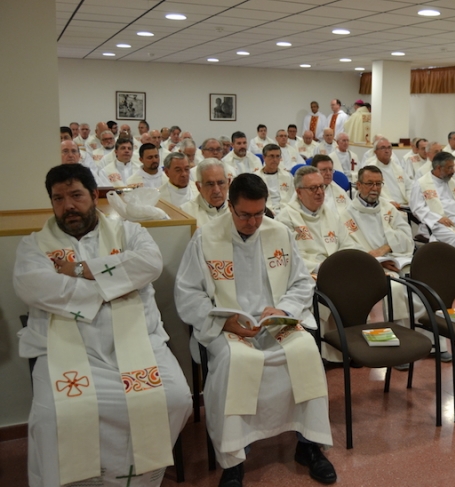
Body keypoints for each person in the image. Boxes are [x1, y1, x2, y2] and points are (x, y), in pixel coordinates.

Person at [14, 163, 192, 486]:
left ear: (94, 194)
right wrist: (115, 286)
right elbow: (32, 286)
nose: (68, 205)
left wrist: (79, 270)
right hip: (69, 350)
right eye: (58, 198)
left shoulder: (128, 232)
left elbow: (150, 264)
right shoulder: (35, 245)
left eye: (76, 195)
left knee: (177, 398)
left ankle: (139, 478)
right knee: (54, 416)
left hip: (135, 341)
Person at [175, 173, 336, 486]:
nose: (253, 222)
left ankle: (308, 445)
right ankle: (235, 459)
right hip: (227, 326)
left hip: (273, 322)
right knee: (238, 361)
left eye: (259, 213)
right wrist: (223, 320)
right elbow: (188, 293)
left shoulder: (279, 232)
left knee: (305, 351)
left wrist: (284, 310)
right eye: (245, 215)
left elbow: (302, 282)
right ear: (230, 207)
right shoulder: (207, 238)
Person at [340, 165, 451, 363]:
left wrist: (385, 250)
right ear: (358, 185)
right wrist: (379, 262)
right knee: (396, 290)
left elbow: (406, 236)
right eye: (369, 184)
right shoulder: (346, 214)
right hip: (371, 267)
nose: (375, 188)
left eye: (378, 184)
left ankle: (434, 341)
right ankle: (398, 348)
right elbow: (349, 247)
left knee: (427, 284)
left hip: (398, 259)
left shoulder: (388, 208)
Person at [276, 166, 358, 362]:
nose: (320, 192)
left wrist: (342, 265)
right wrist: (322, 268)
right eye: (313, 188)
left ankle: (353, 347)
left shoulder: (331, 214)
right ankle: (325, 352)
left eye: (321, 186)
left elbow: (348, 243)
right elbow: (289, 257)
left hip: (336, 271)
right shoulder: (285, 218)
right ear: (298, 192)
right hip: (309, 274)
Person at [410, 151, 455, 300]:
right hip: (437, 223)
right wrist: (438, 218)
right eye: (449, 168)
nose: (453, 171)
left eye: (452, 167)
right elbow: (417, 208)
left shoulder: (454, 181)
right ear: (438, 168)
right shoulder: (422, 183)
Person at [181, 158, 230, 227]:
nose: (216, 190)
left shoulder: (238, 209)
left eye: (221, 183)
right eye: (210, 184)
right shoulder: (185, 213)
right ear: (198, 187)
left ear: (228, 183)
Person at [372, 138, 412, 208]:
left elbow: (409, 187)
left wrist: (410, 200)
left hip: (404, 206)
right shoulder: (370, 169)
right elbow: (369, 193)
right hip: (385, 206)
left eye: (389, 148)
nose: (387, 151)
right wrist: (387, 202)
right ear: (375, 152)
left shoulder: (398, 168)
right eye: (383, 148)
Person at [256, 144, 294, 214]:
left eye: (277, 156)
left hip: (286, 211)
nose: (275, 160)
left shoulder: (288, 176)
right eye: (271, 156)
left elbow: (293, 198)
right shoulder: (256, 177)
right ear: (264, 157)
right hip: (265, 213)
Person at [309, 154, 350, 219]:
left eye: (330, 170)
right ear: (314, 171)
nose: (328, 173)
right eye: (324, 170)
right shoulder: (306, 190)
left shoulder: (338, 189)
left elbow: (350, 211)